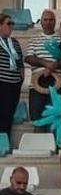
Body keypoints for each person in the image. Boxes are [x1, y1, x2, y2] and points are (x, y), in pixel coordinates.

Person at [0, 16, 26, 146]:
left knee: (8, 116)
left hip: (13, 84)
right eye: (8, 23)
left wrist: (20, 79)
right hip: (1, 82)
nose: (11, 26)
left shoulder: (15, 42)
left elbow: (20, 63)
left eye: (12, 23)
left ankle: (4, 146)